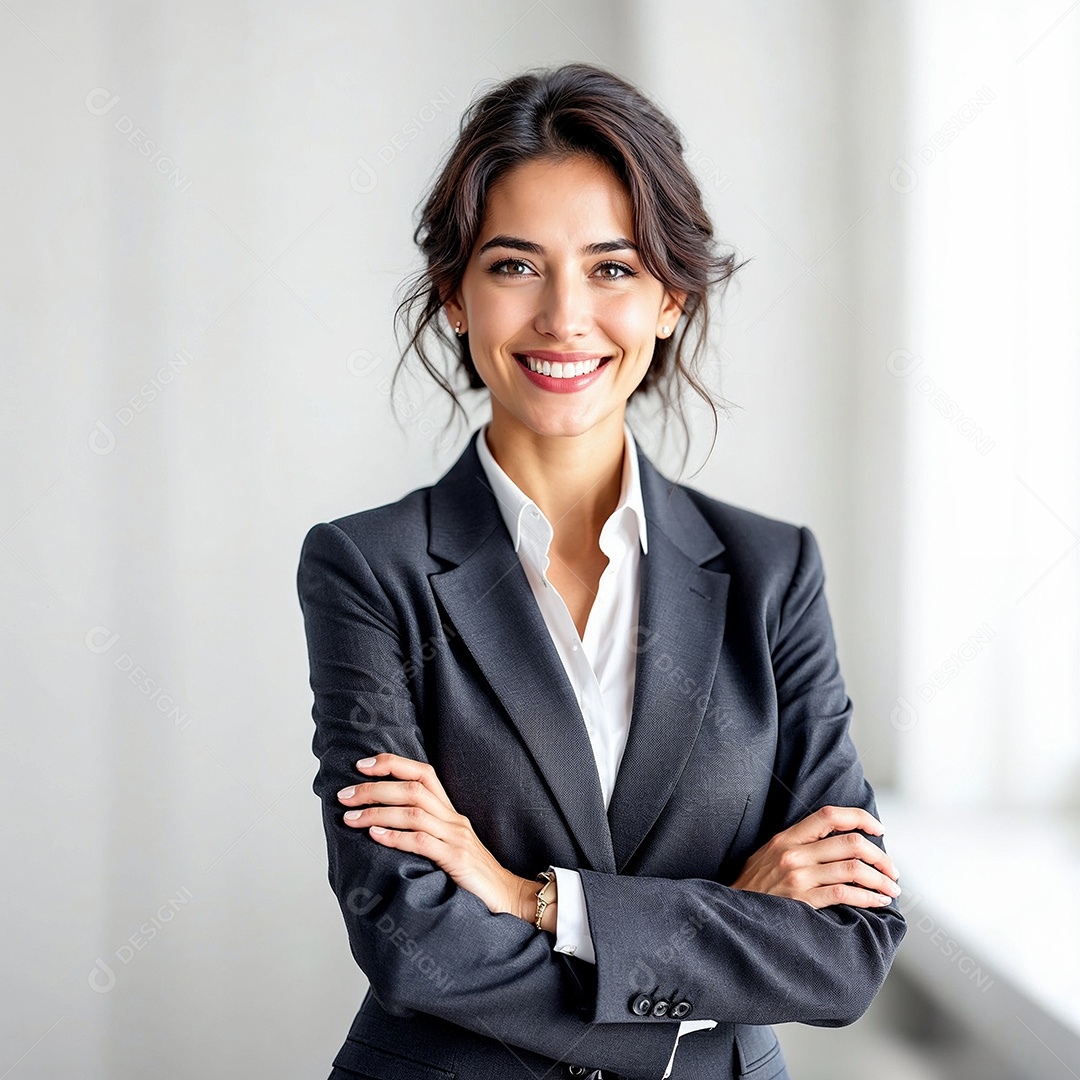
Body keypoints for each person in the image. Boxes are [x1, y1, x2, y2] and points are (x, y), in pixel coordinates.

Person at [297, 62, 906, 1080]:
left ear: (672, 298)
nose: (564, 318)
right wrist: (715, 961)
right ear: (454, 295)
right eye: (515, 265)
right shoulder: (370, 568)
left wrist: (529, 898)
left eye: (612, 268)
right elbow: (410, 938)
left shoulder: (772, 572)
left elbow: (845, 953)